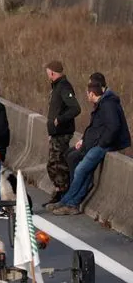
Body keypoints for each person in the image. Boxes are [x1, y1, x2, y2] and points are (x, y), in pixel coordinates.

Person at [51, 74, 130, 216]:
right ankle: (68, 202)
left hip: (103, 145)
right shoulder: (102, 103)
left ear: (92, 94)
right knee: (79, 165)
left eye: (87, 93)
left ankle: (69, 202)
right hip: (97, 143)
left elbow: (113, 127)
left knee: (81, 170)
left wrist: (100, 143)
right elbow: (96, 127)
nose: (86, 96)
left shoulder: (108, 105)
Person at [44, 60, 80, 207]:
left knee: (57, 164)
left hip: (62, 133)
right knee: (55, 164)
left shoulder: (64, 87)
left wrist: (60, 119)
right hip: (56, 133)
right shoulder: (57, 86)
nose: (48, 76)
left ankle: (63, 192)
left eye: (48, 73)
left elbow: (75, 108)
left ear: (52, 72)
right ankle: (60, 191)